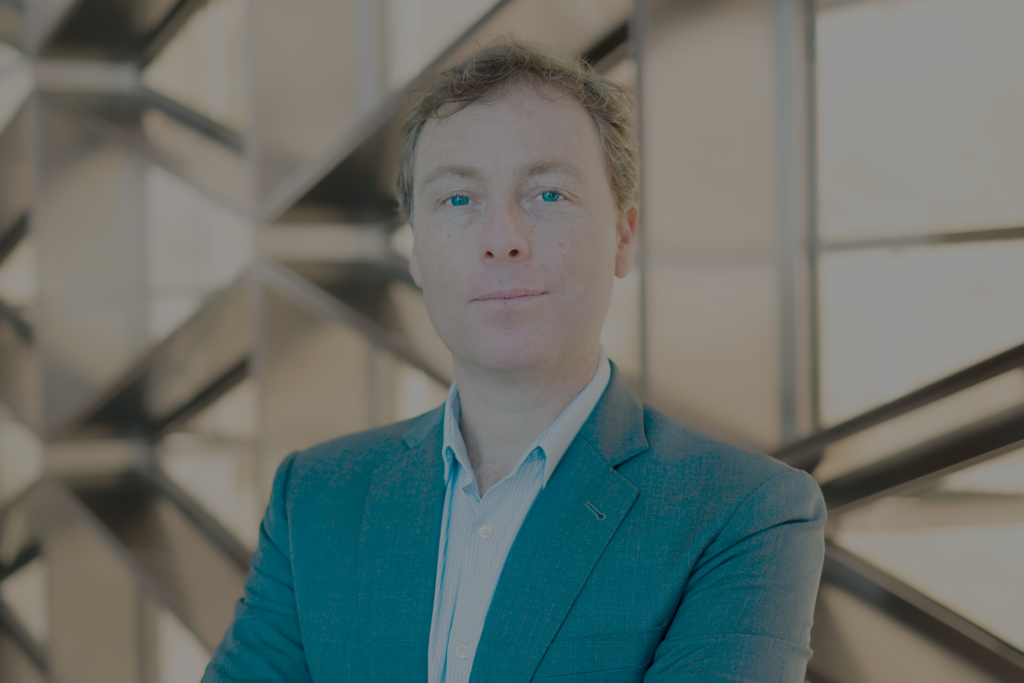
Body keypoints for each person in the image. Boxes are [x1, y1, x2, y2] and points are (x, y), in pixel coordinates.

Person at [204, 42, 825, 683]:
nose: (502, 239)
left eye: (548, 194)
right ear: (416, 251)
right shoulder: (316, 499)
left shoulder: (744, 515)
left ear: (623, 236)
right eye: (458, 199)